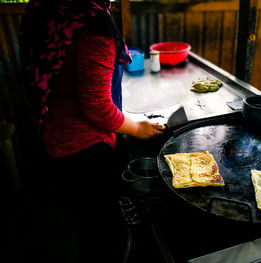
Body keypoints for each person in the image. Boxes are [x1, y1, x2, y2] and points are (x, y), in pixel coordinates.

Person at [19, 0, 165, 261]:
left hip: (53, 132)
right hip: (86, 147)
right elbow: (96, 107)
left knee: (81, 216)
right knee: (101, 230)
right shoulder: (93, 24)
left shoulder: (44, 8)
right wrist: (137, 128)